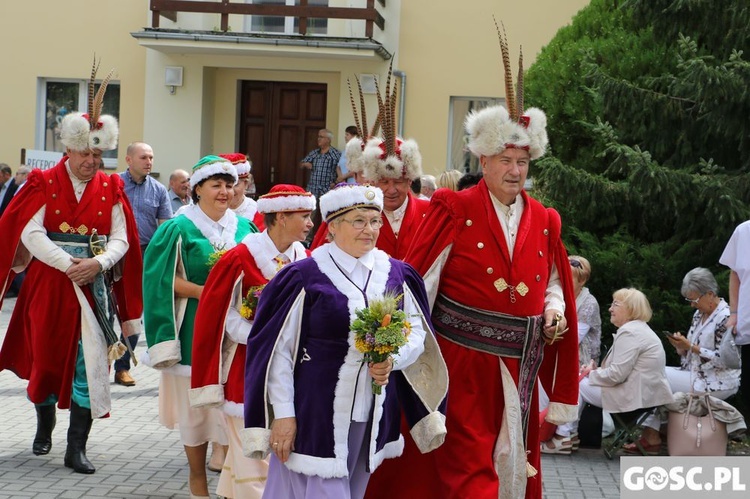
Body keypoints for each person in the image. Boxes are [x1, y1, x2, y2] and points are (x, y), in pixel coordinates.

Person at [399, 56, 580, 497]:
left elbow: (554, 282)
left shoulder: (545, 219)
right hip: (461, 364)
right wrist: (402, 347)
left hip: (520, 364)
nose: (515, 170)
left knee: (512, 466)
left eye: (522, 160)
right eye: (505, 159)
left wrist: (554, 311)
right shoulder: (453, 208)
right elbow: (420, 280)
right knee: (467, 470)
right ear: (483, 159)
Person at [242, 183, 448, 499]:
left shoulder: (397, 274)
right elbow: (277, 351)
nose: (370, 230)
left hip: (373, 411)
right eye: (359, 221)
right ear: (333, 226)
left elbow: (418, 332)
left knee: (350, 490)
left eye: (375, 221)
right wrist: (283, 414)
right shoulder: (303, 276)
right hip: (314, 412)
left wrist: (394, 359)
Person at [0, 64, 143, 474]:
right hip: (49, 283)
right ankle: (44, 423)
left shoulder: (112, 186)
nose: (92, 161)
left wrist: (97, 263)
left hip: (92, 287)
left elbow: (122, 238)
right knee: (45, 361)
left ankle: (75, 447)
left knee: (90, 363)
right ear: (69, 151)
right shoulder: (43, 181)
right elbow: (29, 233)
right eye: (86, 153)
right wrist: (69, 264)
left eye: (99, 154)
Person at [190, 184, 316, 499]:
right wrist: (266, 337)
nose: (311, 223)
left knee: (263, 460)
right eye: (304, 216)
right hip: (247, 370)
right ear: (283, 217)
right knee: (253, 459)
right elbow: (221, 315)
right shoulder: (239, 258)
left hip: (291, 373)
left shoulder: (309, 260)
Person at [143, 155, 257, 498]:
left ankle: (231, 481)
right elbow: (160, 279)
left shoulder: (244, 228)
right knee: (196, 414)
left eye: (229, 184)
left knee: (229, 409)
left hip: (235, 332)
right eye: (216, 185)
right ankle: (197, 479)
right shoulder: (178, 228)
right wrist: (208, 293)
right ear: (197, 190)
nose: (224, 192)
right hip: (193, 327)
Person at [632, 268, 741, 452]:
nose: (691, 305)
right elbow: (692, 353)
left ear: (710, 294)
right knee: (651, 371)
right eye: (689, 300)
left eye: (694, 299)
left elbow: (726, 361)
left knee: (658, 375)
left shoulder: (725, 318)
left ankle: (652, 434)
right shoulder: (699, 314)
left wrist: (690, 347)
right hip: (695, 374)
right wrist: (681, 347)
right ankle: (654, 433)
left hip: (717, 380)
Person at [572, 289, 674, 456]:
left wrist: (590, 374)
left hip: (633, 398)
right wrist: (595, 371)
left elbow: (616, 375)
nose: (610, 309)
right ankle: (568, 434)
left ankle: (565, 435)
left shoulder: (630, 332)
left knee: (576, 384)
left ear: (631, 309)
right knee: (580, 381)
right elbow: (621, 371)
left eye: (616, 304)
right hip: (644, 397)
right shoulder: (639, 329)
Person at [117, 141, 173, 387]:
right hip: (114, 253)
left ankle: (122, 368)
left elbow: (165, 229)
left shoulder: (159, 190)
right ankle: (95, 364)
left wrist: (161, 262)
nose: (149, 162)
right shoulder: (113, 184)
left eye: (151, 157)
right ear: (129, 160)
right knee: (106, 312)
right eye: (143, 157)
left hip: (145, 255)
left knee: (134, 313)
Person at [540, 255, 602, 454]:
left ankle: (562, 436)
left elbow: (574, 338)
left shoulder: (588, 302)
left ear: (582, 280)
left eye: (570, 278)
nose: (564, 282)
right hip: (557, 351)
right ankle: (570, 434)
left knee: (561, 383)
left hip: (581, 359)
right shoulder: (559, 296)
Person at [720, 220, 750, 414]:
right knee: (748, 390)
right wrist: (734, 313)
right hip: (748, 325)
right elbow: (735, 275)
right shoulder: (744, 231)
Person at [300, 128, 340, 243]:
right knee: (310, 215)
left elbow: (341, 170)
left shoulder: (335, 154)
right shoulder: (315, 153)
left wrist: (335, 183)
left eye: (321, 137)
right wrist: (306, 164)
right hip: (312, 188)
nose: (318, 139)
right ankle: (307, 239)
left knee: (326, 215)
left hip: (327, 189)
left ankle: (324, 240)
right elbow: (302, 163)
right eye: (318, 137)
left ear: (328, 139)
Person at [222, 153, 264, 230]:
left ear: (246, 184)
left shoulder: (257, 213)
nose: (230, 191)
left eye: (236, 184)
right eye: (226, 185)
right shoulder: (210, 211)